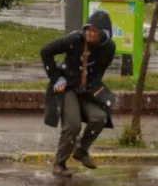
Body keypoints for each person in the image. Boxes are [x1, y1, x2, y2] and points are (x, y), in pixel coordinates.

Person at [41, 10, 116, 177]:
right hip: (66, 86)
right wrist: (56, 78)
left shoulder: (109, 48)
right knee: (73, 125)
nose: (89, 33)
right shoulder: (75, 39)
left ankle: (81, 150)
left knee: (100, 117)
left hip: (87, 90)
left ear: (103, 33)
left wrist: (94, 89)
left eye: (94, 31)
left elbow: (99, 71)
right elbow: (46, 51)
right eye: (88, 28)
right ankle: (59, 163)